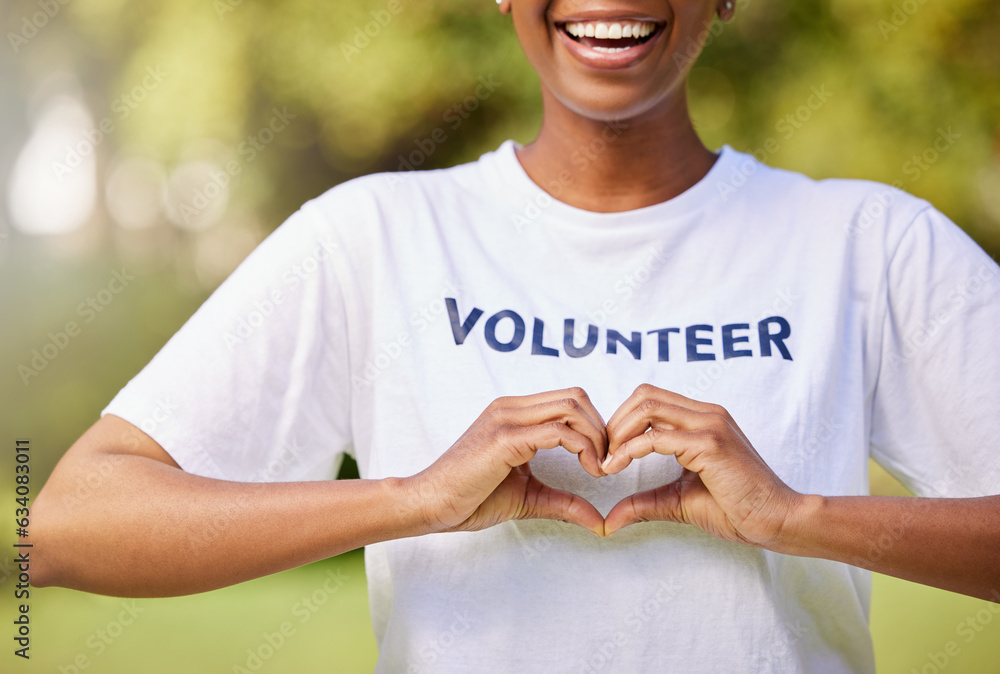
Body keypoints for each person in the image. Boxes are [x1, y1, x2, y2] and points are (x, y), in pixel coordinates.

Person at [31, 1, 1000, 672]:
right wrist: (411, 498)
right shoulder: (375, 234)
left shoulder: (871, 242)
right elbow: (72, 524)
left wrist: (795, 517)